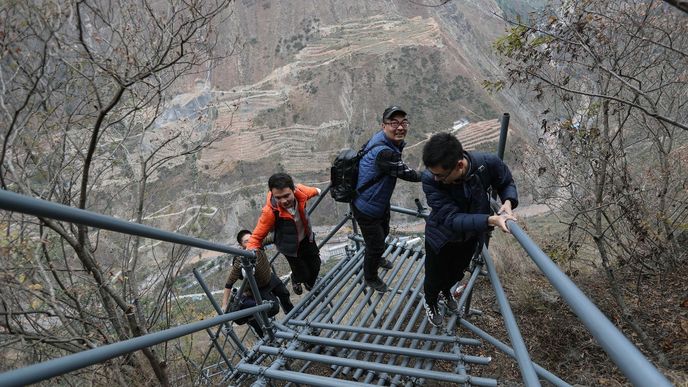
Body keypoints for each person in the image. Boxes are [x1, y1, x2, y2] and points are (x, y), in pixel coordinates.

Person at [421, 132, 518, 327]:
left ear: (459, 165)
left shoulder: (486, 163)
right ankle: (430, 301)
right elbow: (452, 219)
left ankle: (446, 290)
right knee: (434, 277)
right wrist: (490, 220)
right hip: (440, 238)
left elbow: (506, 181)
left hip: (469, 238)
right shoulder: (431, 179)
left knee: (457, 272)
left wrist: (507, 201)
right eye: (433, 173)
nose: (436, 179)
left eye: (440, 175)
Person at [352, 106, 421, 292]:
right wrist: (435, 174)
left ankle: (377, 257)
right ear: (384, 126)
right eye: (394, 123)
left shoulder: (381, 139)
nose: (400, 127)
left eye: (403, 122)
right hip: (367, 207)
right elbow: (408, 174)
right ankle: (370, 277)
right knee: (375, 243)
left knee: (382, 233)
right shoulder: (385, 152)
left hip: (376, 202)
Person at [246, 173, 322, 295]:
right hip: (289, 246)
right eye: (278, 197)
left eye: (287, 196)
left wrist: (318, 191)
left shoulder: (301, 193)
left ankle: (308, 283)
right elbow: (256, 237)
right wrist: (249, 254)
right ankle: (297, 280)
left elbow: (311, 191)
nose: (284, 201)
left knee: (316, 264)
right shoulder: (270, 212)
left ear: (294, 190)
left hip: (306, 239)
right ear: (272, 194)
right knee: (303, 273)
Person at [221, 230, 293, 337]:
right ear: (241, 245)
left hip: (269, 277)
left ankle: (292, 314)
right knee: (273, 308)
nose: (250, 242)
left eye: (251, 239)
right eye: (246, 241)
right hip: (258, 288)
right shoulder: (240, 260)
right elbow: (229, 284)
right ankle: (256, 320)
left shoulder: (258, 243)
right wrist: (224, 304)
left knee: (284, 293)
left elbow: (273, 237)